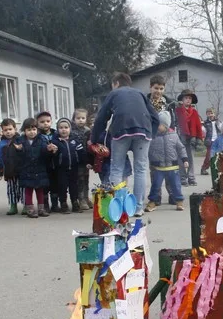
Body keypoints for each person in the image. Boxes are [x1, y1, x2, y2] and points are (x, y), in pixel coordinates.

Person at [91, 72, 159, 217]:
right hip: (143, 132)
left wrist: (95, 138)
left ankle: (119, 207)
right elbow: (155, 117)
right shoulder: (140, 93)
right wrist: (151, 134)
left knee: (117, 169)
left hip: (121, 130)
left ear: (115, 84)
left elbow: (101, 118)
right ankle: (138, 208)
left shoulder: (114, 94)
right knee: (140, 169)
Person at [146, 111, 188, 212]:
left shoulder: (174, 135)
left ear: (165, 125)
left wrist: (185, 159)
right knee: (155, 185)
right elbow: (148, 149)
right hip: (158, 167)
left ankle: (179, 201)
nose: (157, 127)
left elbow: (181, 148)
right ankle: (152, 202)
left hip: (172, 167)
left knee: (176, 185)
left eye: (159, 125)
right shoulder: (153, 136)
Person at [14, 117, 52, 218]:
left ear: (37, 130)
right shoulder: (20, 140)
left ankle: (41, 209)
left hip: (39, 169)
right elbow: (18, 157)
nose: (32, 132)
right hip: (27, 170)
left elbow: (45, 154)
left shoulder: (41, 139)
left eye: (34, 129)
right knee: (28, 190)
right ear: (24, 131)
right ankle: (30, 209)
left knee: (40, 190)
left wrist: (48, 150)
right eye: (29, 130)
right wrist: (19, 150)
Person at [51, 118, 87, 214]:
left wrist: (86, 162)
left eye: (66, 127)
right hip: (61, 169)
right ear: (57, 129)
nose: (63, 130)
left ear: (70, 129)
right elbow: (53, 156)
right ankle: (63, 203)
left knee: (74, 186)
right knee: (62, 187)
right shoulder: (55, 142)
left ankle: (75, 202)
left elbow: (81, 153)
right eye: (61, 128)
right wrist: (53, 152)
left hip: (74, 168)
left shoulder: (74, 141)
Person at [174, 89, 204, 186]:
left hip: (191, 138)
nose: (188, 100)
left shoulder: (194, 112)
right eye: (186, 98)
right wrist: (180, 107)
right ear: (182, 100)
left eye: (190, 98)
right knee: (181, 158)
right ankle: (182, 178)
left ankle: (191, 178)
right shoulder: (178, 110)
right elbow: (177, 121)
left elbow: (198, 125)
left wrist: (199, 137)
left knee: (190, 158)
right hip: (180, 137)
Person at [0, 118, 22, 215]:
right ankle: (13, 206)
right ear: (2, 131)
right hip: (9, 172)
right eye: (5, 130)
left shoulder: (20, 141)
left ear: (15, 129)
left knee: (22, 189)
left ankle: (26, 206)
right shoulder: (1, 144)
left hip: (20, 171)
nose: (8, 132)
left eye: (10, 129)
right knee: (11, 190)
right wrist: (0, 173)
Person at [71, 108, 93, 211]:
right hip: (77, 159)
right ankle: (81, 199)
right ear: (74, 119)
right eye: (78, 118)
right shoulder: (71, 131)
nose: (80, 120)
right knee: (80, 179)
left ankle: (86, 197)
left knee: (86, 179)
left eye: (83, 118)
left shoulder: (88, 130)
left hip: (86, 159)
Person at [201, 108, 220, 176]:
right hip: (210, 141)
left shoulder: (217, 121)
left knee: (218, 155)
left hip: (217, 141)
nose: (210, 114)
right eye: (208, 113)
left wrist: (216, 121)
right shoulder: (205, 123)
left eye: (211, 113)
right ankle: (204, 168)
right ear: (206, 114)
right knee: (209, 156)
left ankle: (217, 169)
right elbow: (203, 131)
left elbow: (220, 128)